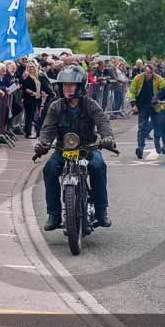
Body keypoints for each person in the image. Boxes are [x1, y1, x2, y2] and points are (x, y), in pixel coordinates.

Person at [35, 65, 116, 230]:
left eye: (71, 85)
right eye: (64, 85)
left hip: (88, 148)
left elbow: (102, 121)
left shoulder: (90, 104)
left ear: (80, 86)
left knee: (98, 166)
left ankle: (101, 211)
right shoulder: (56, 106)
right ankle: (54, 214)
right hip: (63, 149)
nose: (67, 88)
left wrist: (107, 138)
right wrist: (42, 143)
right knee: (49, 169)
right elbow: (48, 128)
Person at [129, 64, 165, 158]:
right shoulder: (138, 78)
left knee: (157, 126)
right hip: (142, 106)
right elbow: (132, 91)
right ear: (144, 71)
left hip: (155, 106)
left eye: (151, 72)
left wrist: (163, 102)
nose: (149, 74)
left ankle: (157, 144)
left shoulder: (158, 79)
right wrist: (133, 104)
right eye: (147, 72)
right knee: (141, 127)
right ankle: (140, 148)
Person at [20, 60, 44, 139]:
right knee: (29, 116)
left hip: (37, 98)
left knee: (35, 116)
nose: (31, 69)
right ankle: (28, 133)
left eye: (33, 67)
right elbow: (23, 86)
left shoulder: (36, 76)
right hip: (29, 98)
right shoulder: (26, 76)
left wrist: (41, 93)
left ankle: (35, 132)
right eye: (29, 67)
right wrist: (30, 92)